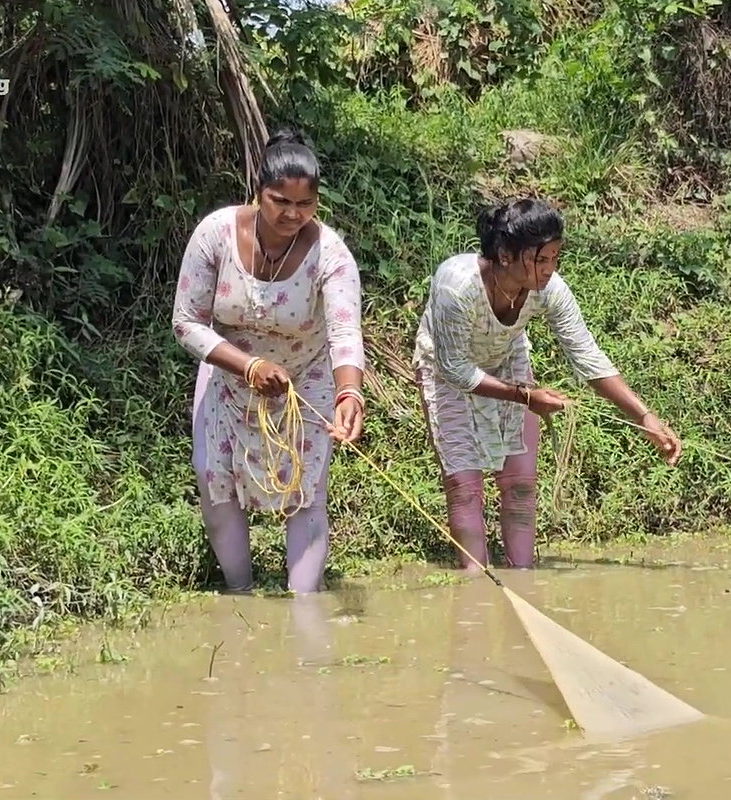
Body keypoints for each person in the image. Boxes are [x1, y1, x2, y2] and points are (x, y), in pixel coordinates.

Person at [411, 196, 681, 573]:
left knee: (520, 485)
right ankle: (477, 584)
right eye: (540, 259)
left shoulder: (548, 289)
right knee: (464, 487)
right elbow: (456, 369)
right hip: (447, 369)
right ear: (506, 255)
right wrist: (525, 397)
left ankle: (521, 577)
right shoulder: (456, 285)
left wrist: (644, 417)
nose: (549, 269)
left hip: (507, 359)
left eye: (555, 258)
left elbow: (585, 353)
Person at [171, 129, 366, 595]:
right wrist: (249, 367)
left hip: (306, 380)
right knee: (212, 478)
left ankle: (306, 603)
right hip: (228, 379)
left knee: (308, 493)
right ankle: (240, 591)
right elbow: (186, 323)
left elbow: (344, 331)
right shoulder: (214, 235)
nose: (293, 214)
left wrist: (349, 392)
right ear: (258, 192)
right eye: (281, 201)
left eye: (306, 204)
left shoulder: (331, 255)